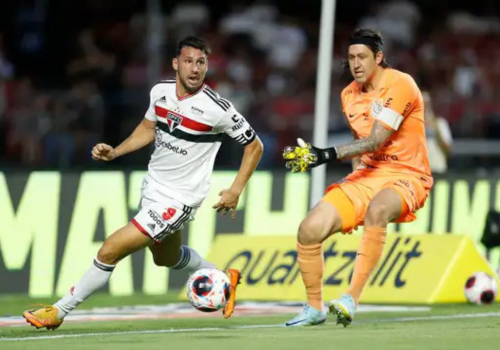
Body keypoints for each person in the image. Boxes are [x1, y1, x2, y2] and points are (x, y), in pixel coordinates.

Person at [22, 36, 264, 330]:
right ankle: (221, 276)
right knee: (166, 258)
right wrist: (116, 151)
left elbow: (255, 146)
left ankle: (58, 312)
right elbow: (148, 128)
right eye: (188, 61)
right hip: (153, 188)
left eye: (201, 62)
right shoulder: (160, 91)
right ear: (176, 63)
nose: (195, 68)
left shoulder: (218, 109)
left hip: (179, 200)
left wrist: (236, 189)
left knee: (110, 249)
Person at [282, 28, 433, 327]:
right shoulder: (348, 95)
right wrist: (352, 191)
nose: (356, 63)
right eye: (351, 57)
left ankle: (350, 298)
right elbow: (359, 145)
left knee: (378, 209)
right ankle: (314, 308)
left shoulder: (401, 84)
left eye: (362, 56)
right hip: (367, 176)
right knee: (309, 230)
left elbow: (375, 140)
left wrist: (323, 154)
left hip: (408, 174)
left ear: (379, 57)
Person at [422, 91, 452, 174]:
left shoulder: (440, 123)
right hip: (419, 172)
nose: (425, 107)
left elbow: (448, 149)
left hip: (437, 169)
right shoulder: (411, 126)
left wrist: (436, 131)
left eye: (426, 104)